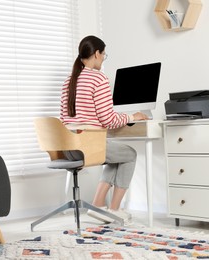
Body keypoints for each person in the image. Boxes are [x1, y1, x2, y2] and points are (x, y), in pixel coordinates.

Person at [59, 35, 148, 223]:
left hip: (68, 148)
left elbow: (63, 119)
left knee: (115, 154)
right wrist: (133, 117)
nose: (103, 59)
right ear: (97, 54)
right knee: (130, 154)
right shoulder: (98, 78)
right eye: (104, 55)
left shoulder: (69, 80)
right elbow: (109, 120)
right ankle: (114, 209)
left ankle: (98, 205)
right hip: (87, 146)